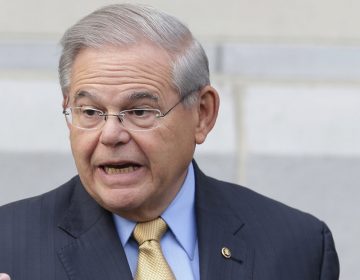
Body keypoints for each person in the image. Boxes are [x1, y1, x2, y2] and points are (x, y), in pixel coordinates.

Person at [0, 4, 339, 280]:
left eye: (139, 111)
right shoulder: (8, 246)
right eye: (90, 111)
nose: (111, 134)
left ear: (202, 114)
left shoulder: (298, 246)